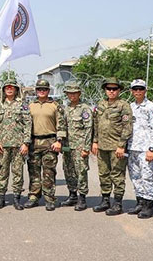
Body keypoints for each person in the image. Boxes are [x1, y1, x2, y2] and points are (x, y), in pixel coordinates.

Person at [92, 77, 133, 215]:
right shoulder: (101, 104)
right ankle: (105, 200)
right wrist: (95, 141)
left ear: (119, 90)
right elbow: (96, 124)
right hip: (102, 146)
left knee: (117, 175)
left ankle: (117, 203)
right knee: (103, 174)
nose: (111, 91)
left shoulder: (123, 105)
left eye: (114, 89)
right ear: (105, 90)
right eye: (109, 88)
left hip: (116, 147)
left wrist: (121, 145)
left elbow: (127, 127)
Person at [0, 78, 31, 210]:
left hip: (18, 145)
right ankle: (1, 198)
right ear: (3, 90)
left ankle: (16, 198)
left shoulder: (22, 105)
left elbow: (28, 124)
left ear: (16, 90)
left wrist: (26, 143)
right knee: (2, 172)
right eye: (7, 87)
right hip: (2, 145)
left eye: (11, 87)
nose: (9, 89)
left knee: (18, 172)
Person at [25, 79, 66, 211]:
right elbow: (25, 125)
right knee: (34, 171)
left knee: (49, 172)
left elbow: (61, 124)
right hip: (34, 142)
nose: (41, 91)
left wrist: (59, 141)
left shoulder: (55, 106)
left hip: (50, 142)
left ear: (48, 91)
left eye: (44, 89)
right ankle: (33, 196)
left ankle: (49, 198)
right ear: (36, 91)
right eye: (39, 89)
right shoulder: (30, 106)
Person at [127, 79, 153, 218]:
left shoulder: (152, 107)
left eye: (140, 89)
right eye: (135, 89)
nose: (138, 91)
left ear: (145, 90)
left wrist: (152, 148)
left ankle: (148, 205)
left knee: (147, 177)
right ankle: (140, 202)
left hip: (145, 149)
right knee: (135, 177)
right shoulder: (130, 107)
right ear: (131, 91)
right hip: (132, 147)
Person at [61, 82, 93, 211]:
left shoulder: (84, 109)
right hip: (67, 146)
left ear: (79, 94)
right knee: (68, 170)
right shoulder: (66, 108)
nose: (72, 95)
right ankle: (72, 194)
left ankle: (82, 198)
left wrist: (86, 147)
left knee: (81, 172)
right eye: (70, 93)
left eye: (74, 93)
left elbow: (88, 129)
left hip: (80, 146)